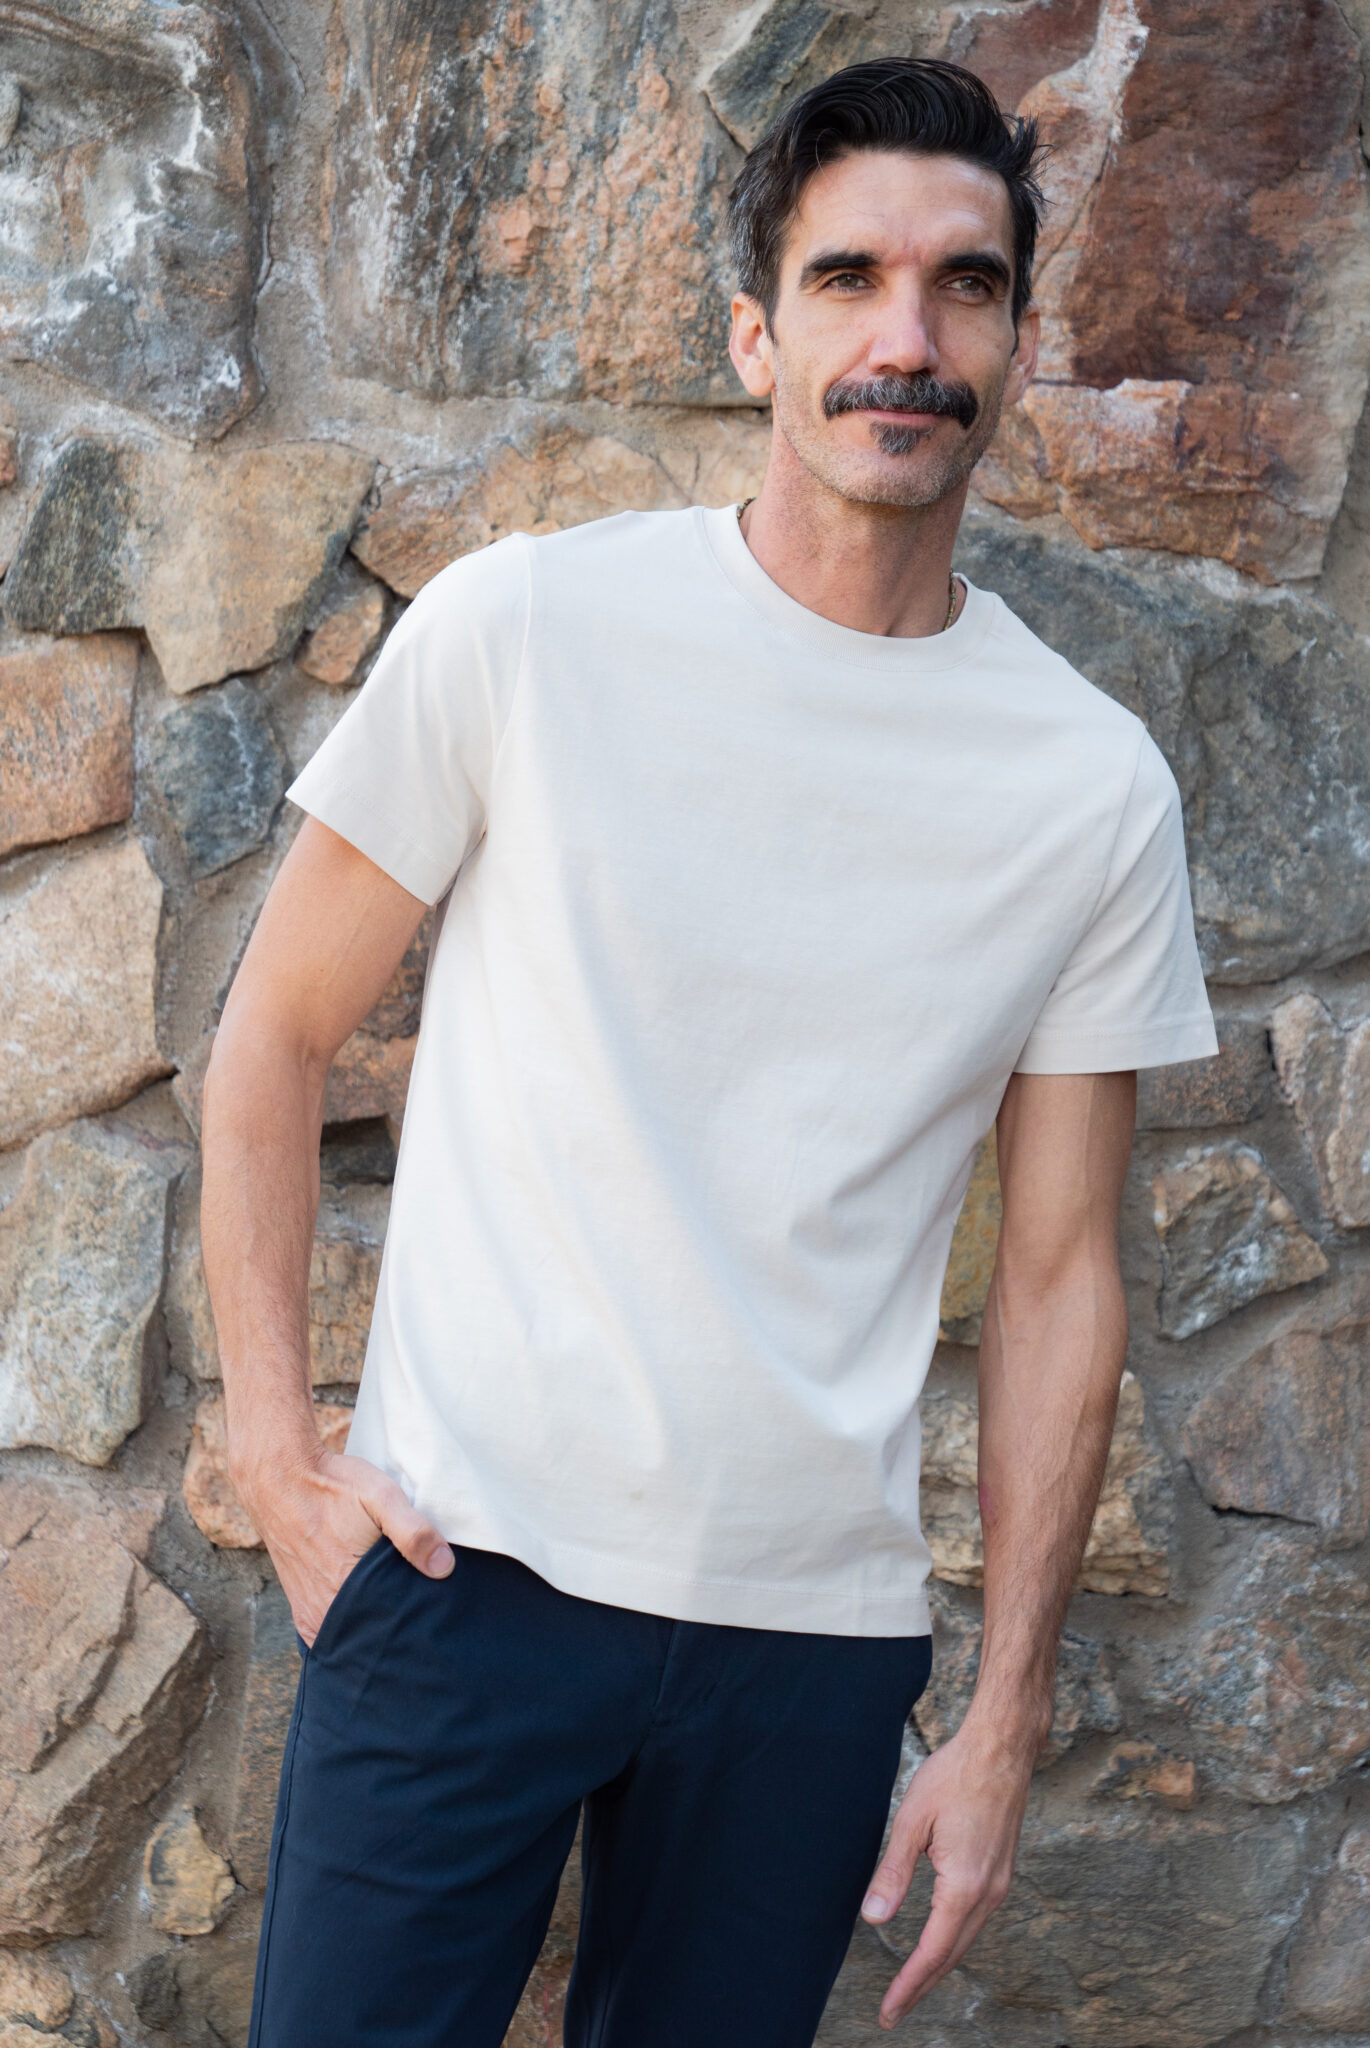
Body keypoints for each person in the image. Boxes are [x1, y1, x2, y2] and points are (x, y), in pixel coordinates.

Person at [202, 56, 1217, 2048]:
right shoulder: (525, 631)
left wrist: (999, 1718)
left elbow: (1056, 1271)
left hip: (807, 1645)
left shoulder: (1088, 787)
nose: (904, 339)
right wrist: (275, 1460)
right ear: (757, 334)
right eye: (848, 279)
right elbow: (276, 1030)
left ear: (1015, 341)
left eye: (964, 286)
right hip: (457, 1569)